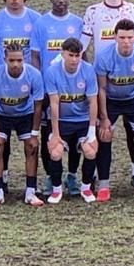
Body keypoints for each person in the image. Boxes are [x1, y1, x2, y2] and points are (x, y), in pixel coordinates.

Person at [84, 0, 134, 189]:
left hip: (133, 92)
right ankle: (100, 183)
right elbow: (82, 43)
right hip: (107, 83)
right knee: (104, 135)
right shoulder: (93, 11)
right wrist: (62, 58)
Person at [94, 18, 134, 202]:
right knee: (104, 137)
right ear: (114, 37)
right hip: (111, 101)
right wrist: (104, 118)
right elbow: (102, 89)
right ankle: (104, 186)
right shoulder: (104, 56)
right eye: (122, 37)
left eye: (130, 37)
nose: (126, 42)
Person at [0, 46, 45, 206]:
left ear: (24, 59)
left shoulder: (34, 75)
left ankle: (31, 192)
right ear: (5, 59)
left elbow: (38, 105)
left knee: (31, 148)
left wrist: (34, 134)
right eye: (12, 60)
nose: (16, 64)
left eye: (19, 60)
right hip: (2, 114)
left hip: (25, 114)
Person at [43, 37, 99, 204]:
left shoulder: (88, 70)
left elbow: (93, 101)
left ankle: (86, 187)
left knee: (90, 151)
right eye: (71, 55)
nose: (74, 60)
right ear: (63, 54)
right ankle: (56, 189)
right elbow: (54, 103)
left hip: (82, 121)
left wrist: (92, 132)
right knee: (55, 152)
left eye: (77, 55)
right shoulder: (52, 72)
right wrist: (55, 133)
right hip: (62, 121)